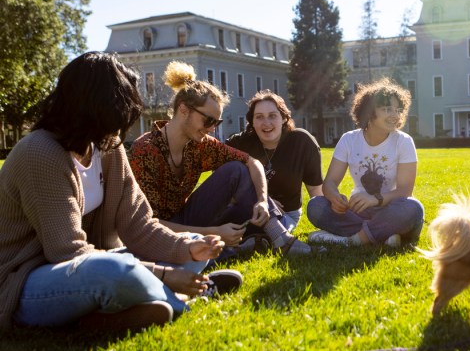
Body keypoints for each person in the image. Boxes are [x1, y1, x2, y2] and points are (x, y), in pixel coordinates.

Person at [0, 52, 231, 333]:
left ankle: (104, 316)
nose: (123, 124)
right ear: (94, 106)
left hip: (95, 262)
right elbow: (68, 253)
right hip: (27, 280)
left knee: (192, 244)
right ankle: (183, 301)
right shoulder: (40, 153)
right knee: (112, 269)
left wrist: (186, 248)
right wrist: (164, 274)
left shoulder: (108, 147)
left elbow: (139, 224)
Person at [129, 61, 311, 256]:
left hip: (186, 218)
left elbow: (252, 162)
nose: (212, 128)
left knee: (237, 169)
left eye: (217, 122)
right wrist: (213, 233)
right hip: (154, 235)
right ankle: (233, 249)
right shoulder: (145, 151)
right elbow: (146, 224)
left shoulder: (201, 144)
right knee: (207, 242)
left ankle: (278, 236)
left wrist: (262, 201)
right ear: (183, 110)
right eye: (208, 120)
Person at [306, 78, 424, 247]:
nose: (395, 115)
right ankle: (384, 236)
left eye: (398, 110)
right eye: (387, 109)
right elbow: (329, 183)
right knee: (316, 205)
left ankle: (353, 240)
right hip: (359, 211)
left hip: (393, 209)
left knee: (413, 208)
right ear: (369, 111)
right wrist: (335, 198)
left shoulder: (404, 141)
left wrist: (374, 199)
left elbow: (405, 191)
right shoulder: (349, 140)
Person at [225, 90, 323, 232]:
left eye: (272, 116)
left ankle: (263, 237)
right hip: (246, 209)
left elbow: (315, 190)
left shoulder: (301, 142)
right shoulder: (240, 143)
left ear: (284, 118)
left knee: (264, 232)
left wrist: (325, 219)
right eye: (259, 117)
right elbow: (222, 184)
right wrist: (260, 201)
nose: (266, 123)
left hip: (286, 215)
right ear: (252, 121)